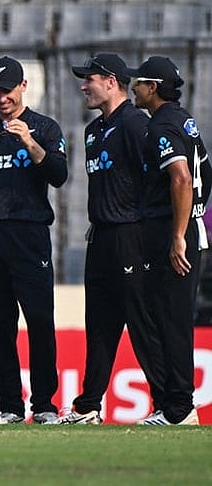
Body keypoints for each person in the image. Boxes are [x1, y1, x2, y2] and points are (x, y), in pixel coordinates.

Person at [48, 53, 165, 425]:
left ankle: (171, 405)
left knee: (141, 321)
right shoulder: (94, 130)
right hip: (99, 237)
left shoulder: (135, 124)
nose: (83, 86)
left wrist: (149, 232)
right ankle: (88, 406)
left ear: (112, 81)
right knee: (99, 324)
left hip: (131, 234)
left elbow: (155, 182)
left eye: (90, 79)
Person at [0, 57, 68, 424]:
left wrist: (29, 141)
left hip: (30, 235)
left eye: (7, 91)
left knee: (40, 322)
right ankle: (9, 405)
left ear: (23, 86)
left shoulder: (44, 127)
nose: (2, 99)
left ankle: (44, 404)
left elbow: (59, 175)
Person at [132, 56, 207, 425]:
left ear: (154, 88)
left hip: (170, 230)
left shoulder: (162, 126)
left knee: (171, 321)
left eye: (139, 82)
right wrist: (194, 217)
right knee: (165, 317)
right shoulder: (185, 122)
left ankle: (179, 409)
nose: (134, 87)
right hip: (182, 225)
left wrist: (178, 234)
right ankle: (172, 405)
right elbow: (204, 172)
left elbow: (180, 178)